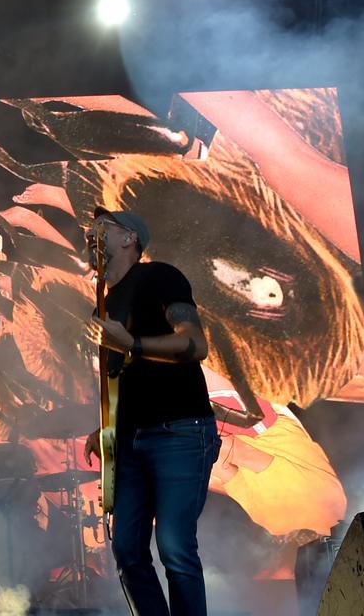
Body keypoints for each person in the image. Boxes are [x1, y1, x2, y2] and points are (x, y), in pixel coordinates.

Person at [83, 207, 221, 616]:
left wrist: (134, 344)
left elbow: (195, 345)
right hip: (130, 439)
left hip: (179, 429)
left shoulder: (158, 276)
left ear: (129, 238)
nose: (92, 234)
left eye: (101, 228)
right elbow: (124, 377)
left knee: (175, 546)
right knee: (126, 549)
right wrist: (105, 426)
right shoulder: (104, 304)